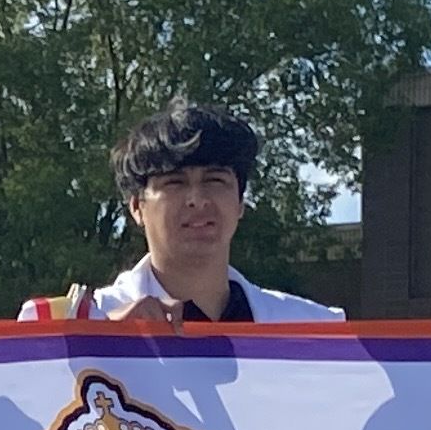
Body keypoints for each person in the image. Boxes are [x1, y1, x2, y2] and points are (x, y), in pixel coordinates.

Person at [29, 100, 343, 324]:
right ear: (137, 207)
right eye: (175, 183)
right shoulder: (74, 326)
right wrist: (97, 347)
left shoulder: (315, 332)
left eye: (215, 180)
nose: (197, 199)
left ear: (240, 203)